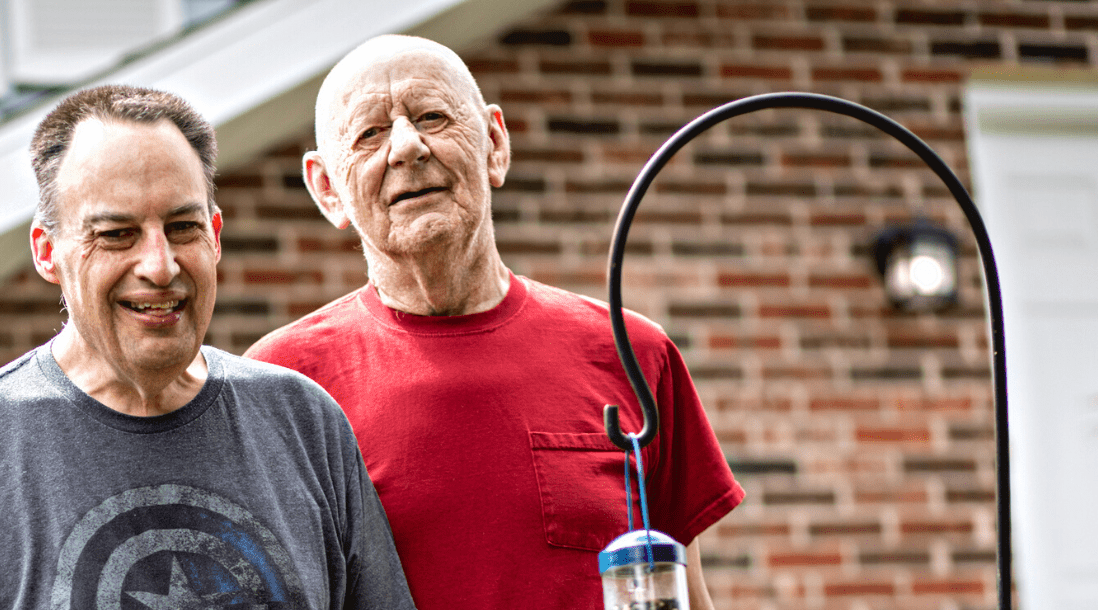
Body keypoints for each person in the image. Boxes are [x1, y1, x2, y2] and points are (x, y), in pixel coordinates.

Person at [245, 36, 743, 610]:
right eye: (370, 134)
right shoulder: (280, 385)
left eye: (433, 116)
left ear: (495, 144)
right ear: (326, 188)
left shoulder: (633, 353)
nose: (408, 147)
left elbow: (689, 595)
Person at [0, 85, 415, 610]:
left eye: (182, 228)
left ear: (215, 236)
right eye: (115, 234)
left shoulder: (304, 424)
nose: (159, 266)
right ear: (47, 252)